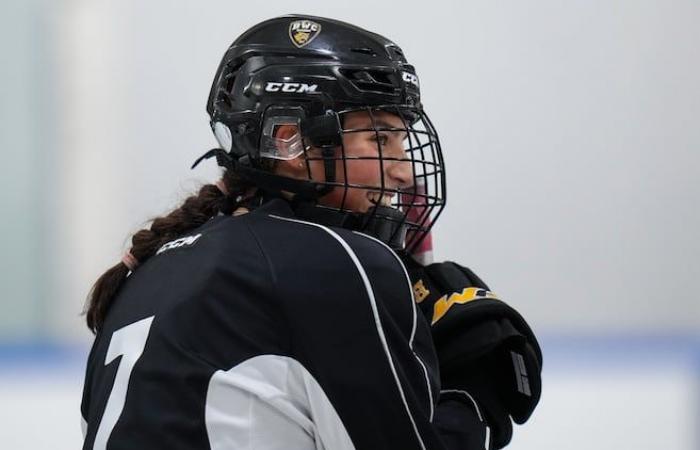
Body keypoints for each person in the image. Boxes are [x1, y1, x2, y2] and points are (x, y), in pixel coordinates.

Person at [80, 15, 541, 450]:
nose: (403, 171)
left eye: (403, 140)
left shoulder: (144, 272)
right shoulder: (334, 261)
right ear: (288, 140)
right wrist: (476, 397)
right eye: (379, 139)